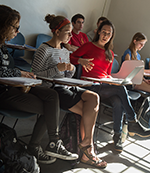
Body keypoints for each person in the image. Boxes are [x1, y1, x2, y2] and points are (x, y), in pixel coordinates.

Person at [0, 4, 78, 165]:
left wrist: (22, 75)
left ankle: (53, 143)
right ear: (2, 24)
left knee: (52, 96)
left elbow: (4, 68)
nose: (17, 32)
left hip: (8, 87)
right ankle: (40, 145)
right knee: (50, 107)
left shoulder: (0, 42)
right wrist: (19, 73)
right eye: (15, 28)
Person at [31, 14, 107, 168]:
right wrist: (55, 69)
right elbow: (35, 74)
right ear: (57, 32)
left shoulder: (65, 51)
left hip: (65, 85)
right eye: (67, 32)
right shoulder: (44, 49)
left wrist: (70, 69)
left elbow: (66, 75)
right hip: (52, 88)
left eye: (71, 32)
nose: (70, 36)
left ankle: (86, 143)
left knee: (94, 98)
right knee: (88, 111)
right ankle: (88, 150)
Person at [70, 20, 150, 152]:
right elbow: (71, 57)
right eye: (104, 32)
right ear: (98, 32)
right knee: (120, 89)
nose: (106, 36)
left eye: (109, 34)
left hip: (103, 86)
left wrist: (112, 79)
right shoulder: (89, 46)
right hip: (89, 86)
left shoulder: (110, 53)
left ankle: (117, 137)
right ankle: (132, 121)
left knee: (118, 100)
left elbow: (107, 74)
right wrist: (80, 60)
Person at [121, 32, 150, 108]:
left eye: (143, 44)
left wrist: (145, 80)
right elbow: (130, 71)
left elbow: (138, 72)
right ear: (134, 41)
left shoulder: (138, 55)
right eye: (140, 44)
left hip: (139, 80)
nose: (142, 46)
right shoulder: (128, 53)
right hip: (131, 82)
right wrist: (145, 73)